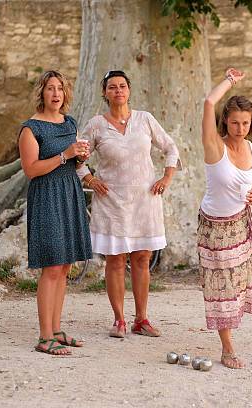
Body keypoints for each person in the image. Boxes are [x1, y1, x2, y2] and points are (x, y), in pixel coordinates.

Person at [77, 70, 181, 338]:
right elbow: (77, 155)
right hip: (111, 200)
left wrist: (167, 177)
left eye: (122, 86)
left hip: (145, 199)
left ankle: (142, 319)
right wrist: (88, 177)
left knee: (142, 258)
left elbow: (170, 148)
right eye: (112, 87)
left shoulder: (145, 120)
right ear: (105, 93)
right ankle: (119, 320)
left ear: (129, 90)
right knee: (115, 259)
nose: (118, 91)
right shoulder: (96, 125)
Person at [198, 68, 252, 369]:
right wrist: (229, 81)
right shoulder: (214, 146)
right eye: (234, 123)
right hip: (215, 228)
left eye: (245, 123)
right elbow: (207, 103)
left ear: (251, 123)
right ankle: (227, 347)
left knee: (238, 287)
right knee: (222, 289)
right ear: (225, 122)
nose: (240, 128)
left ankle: (228, 334)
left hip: (243, 225)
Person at [18, 70, 92, 355]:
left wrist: (80, 157)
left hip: (69, 192)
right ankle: (44, 336)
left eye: (60, 88)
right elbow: (31, 169)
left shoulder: (69, 122)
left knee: (64, 266)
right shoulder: (30, 128)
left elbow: (72, 162)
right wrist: (65, 155)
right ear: (42, 93)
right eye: (50, 88)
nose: (56, 94)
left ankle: (57, 329)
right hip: (46, 195)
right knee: (51, 266)